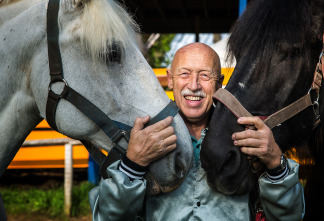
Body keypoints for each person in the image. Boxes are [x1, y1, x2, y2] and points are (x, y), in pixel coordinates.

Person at [89, 43, 305, 220]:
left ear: (219, 83)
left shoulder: (246, 136)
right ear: (170, 79)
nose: (193, 85)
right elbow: (107, 217)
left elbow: (290, 217)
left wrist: (276, 163)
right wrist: (133, 163)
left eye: (204, 76)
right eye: (184, 74)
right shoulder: (143, 138)